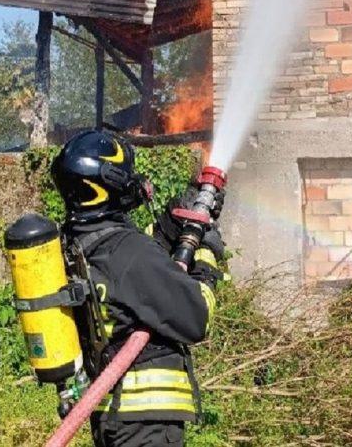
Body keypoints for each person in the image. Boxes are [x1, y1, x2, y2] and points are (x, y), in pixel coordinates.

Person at [50, 129, 226, 447]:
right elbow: (197, 318)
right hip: (147, 426)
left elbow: (135, 275)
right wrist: (206, 260)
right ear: (108, 184)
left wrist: (168, 226)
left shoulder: (79, 247)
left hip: (112, 416)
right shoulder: (128, 252)